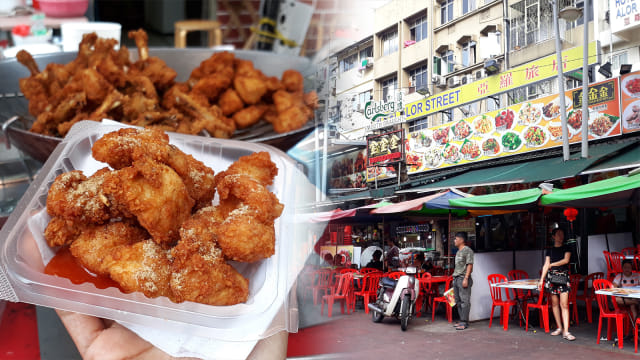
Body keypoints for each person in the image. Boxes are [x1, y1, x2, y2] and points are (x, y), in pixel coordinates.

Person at [538, 228, 575, 341]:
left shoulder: (567, 247)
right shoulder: (550, 250)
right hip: (552, 277)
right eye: (558, 234)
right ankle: (559, 327)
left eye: (562, 234)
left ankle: (566, 331)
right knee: (554, 304)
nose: (561, 236)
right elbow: (546, 265)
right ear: (553, 237)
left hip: (563, 277)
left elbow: (566, 260)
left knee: (564, 304)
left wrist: (552, 264)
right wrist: (541, 280)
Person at [452, 232, 474, 330]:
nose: (454, 241)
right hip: (456, 278)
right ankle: (461, 320)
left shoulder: (467, 250)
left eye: (456, 239)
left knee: (465, 301)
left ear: (461, 240)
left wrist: (466, 278)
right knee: (458, 300)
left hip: (463, 278)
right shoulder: (458, 252)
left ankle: (465, 322)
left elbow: (470, 265)